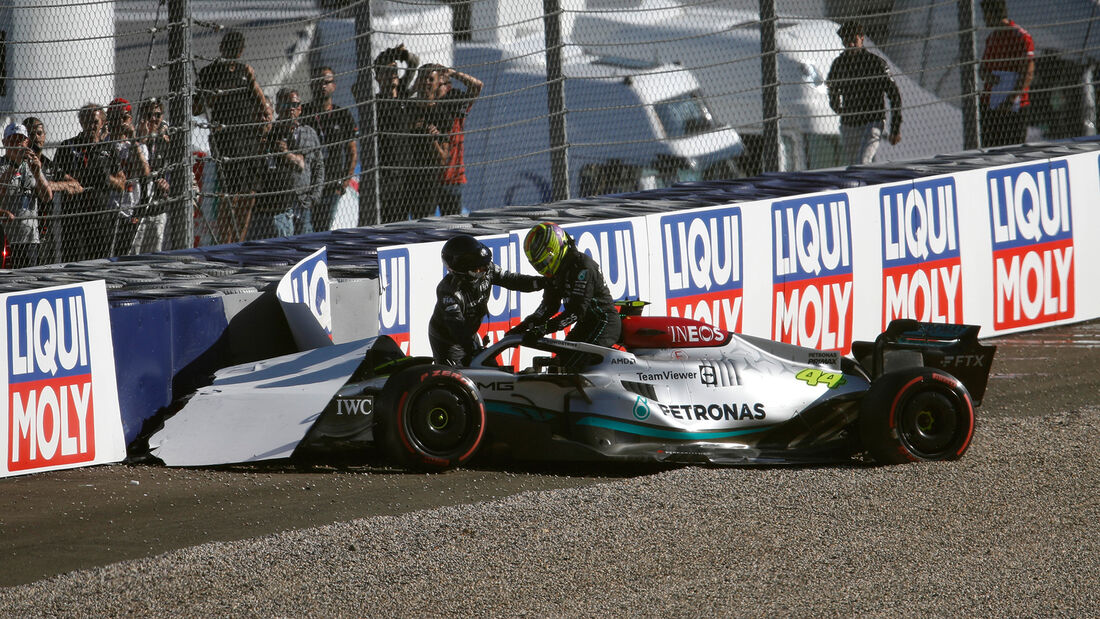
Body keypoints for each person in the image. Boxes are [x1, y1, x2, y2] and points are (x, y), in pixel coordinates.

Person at [509, 222, 622, 371]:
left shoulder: (584, 267)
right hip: (585, 325)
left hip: (604, 322)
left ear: (555, 250)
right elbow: (547, 308)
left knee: (573, 367)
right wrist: (522, 328)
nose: (544, 269)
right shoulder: (556, 273)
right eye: (539, 265)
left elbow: (576, 311)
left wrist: (542, 330)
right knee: (560, 363)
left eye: (545, 262)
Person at [194, 29, 272, 243]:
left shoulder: (245, 71)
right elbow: (195, 107)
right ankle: (227, 241)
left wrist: (266, 118)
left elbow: (259, 97)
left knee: (250, 194)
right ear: (222, 48)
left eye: (236, 50)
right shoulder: (210, 73)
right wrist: (211, 96)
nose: (233, 53)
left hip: (249, 139)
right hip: (227, 140)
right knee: (231, 195)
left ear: (240, 51)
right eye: (230, 49)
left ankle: (241, 239)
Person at [428, 234, 546, 366]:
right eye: (477, 268)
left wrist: (542, 282)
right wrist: (474, 350)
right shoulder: (448, 291)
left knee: (491, 370)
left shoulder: (487, 270)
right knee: (460, 378)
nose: (484, 270)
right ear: (462, 271)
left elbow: (512, 280)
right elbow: (457, 327)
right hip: (449, 341)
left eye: (484, 265)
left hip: (470, 333)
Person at [404, 63, 482, 219]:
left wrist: (452, 73)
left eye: (440, 82)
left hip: (451, 177)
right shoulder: (414, 107)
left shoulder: (453, 102)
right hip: (426, 179)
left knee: (451, 222)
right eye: (428, 80)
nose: (438, 86)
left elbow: (477, 86)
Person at [250, 88, 323, 240]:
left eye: (295, 104)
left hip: (304, 201)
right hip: (281, 204)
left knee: (307, 242)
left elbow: (318, 166)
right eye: (285, 105)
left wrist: (315, 194)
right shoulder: (271, 132)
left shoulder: (309, 133)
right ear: (277, 108)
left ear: (300, 108)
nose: (290, 109)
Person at [826, 21, 902, 165]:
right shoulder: (839, 64)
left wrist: (895, 128)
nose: (850, 45)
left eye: (853, 40)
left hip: (873, 120)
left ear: (861, 38)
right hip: (850, 122)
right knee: (854, 164)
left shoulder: (875, 63)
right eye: (846, 41)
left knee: (863, 160)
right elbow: (832, 87)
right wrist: (837, 106)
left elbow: (894, 94)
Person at [54, 103, 114, 262]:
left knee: (101, 261)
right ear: (81, 122)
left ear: (102, 123)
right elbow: (56, 172)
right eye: (87, 121)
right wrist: (71, 180)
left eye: (95, 121)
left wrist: (107, 179)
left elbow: (120, 180)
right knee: (75, 263)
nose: (91, 126)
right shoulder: (68, 146)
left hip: (100, 216)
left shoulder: (108, 148)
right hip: (75, 217)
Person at [303, 65, 358, 232]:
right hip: (308, 185)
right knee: (306, 229)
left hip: (332, 184)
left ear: (334, 85)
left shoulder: (342, 115)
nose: (322, 86)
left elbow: (352, 151)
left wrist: (345, 181)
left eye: (327, 82)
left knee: (325, 227)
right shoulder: (304, 113)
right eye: (319, 82)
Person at [21, 116, 81, 266]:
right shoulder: (20, 164)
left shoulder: (49, 164)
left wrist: (50, 185)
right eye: (31, 134)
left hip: (48, 229)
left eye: (39, 133)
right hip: (25, 231)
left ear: (45, 135)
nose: (36, 137)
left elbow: (76, 185)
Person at [373, 44, 419, 223]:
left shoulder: (402, 95)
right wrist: (388, 55)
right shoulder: (376, 101)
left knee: (406, 219)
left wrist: (398, 54)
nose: (393, 74)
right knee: (389, 219)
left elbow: (414, 63)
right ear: (378, 77)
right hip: (387, 173)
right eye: (386, 71)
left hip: (407, 172)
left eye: (394, 70)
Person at [979, 0, 1034, 147]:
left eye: (985, 15)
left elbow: (1028, 72)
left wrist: (1010, 100)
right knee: (990, 149)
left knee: (1013, 150)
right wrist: (990, 77)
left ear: (991, 15)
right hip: (991, 107)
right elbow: (982, 70)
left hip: (1013, 108)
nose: (984, 19)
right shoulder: (992, 38)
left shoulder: (1020, 36)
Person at [0, 123, 52, 268]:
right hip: (6, 237)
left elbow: (47, 196)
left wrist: (37, 172)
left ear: (27, 142)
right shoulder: (1, 165)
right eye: (12, 140)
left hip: (30, 237)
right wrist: (14, 166)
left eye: (21, 140)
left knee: (30, 276)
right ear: (4, 143)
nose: (17, 144)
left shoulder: (31, 164)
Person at [104, 98, 150, 257]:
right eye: (116, 118)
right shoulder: (104, 146)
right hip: (110, 209)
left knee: (130, 256)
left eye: (124, 118)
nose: (120, 123)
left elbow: (144, 172)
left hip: (131, 208)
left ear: (130, 119)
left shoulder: (138, 146)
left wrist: (132, 139)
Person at [130, 98, 171, 254]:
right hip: (138, 208)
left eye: (157, 115)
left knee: (156, 252)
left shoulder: (165, 142)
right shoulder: (134, 142)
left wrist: (168, 185)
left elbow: (174, 170)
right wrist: (141, 140)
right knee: (135, 252)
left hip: (159, 207)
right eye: (149, 115)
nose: (153, 119)